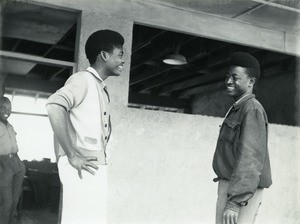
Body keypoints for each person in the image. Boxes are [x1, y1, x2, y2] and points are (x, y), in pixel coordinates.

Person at [46, 29, 125, 224]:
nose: (123, 60)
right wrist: (71, 155)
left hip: (93, 166)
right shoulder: (83, 80)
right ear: (104, 55)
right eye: (120, 54)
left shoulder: (99, 86)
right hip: (82, 167)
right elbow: (54, 106)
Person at [212, 52, 272, 224]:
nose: (228, 81)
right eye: (227, 76)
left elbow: (250, 160)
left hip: (240, 192)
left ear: (251, 82)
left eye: (235, 77)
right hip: (232, 187)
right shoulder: (239, 108)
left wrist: (234, 203)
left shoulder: (251, 109)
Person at [0, 96, 26, 224]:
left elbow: (13, 145)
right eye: (3, 108)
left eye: (9, 108)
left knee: (14, 202)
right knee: (7, 202)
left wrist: (20, 164)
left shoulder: (10, 126)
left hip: (16, 162)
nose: (6, 111)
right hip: (3, 164)